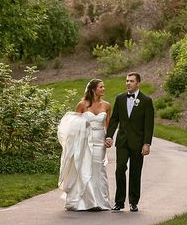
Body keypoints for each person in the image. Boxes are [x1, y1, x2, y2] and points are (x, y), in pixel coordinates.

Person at [57, 78, 111, 211]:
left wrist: (108, 138)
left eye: (103, 87)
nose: (103, 89)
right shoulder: (82, 105)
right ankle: (86, 202)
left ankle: (100, 201)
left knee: (99, 169)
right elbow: (73, 126)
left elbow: (108, 126)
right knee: (85, 168)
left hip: (99, 141)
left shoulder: (107, 105)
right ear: (93, 89)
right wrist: (84, 126)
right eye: (101, 87)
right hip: (85, 140)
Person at [105, 72, 155, 212]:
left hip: (138, 143)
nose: (128, 83)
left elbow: (148, 125)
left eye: (131, 81)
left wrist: (147, 143)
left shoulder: (146, 101)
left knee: (135, 172)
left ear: (138, 83)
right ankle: (119, 202)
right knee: (119, 169)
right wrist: (109, 136)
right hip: (122, 142)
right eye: (127, 81)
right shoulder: (120, 98)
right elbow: (114, 119)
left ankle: (133, 202)